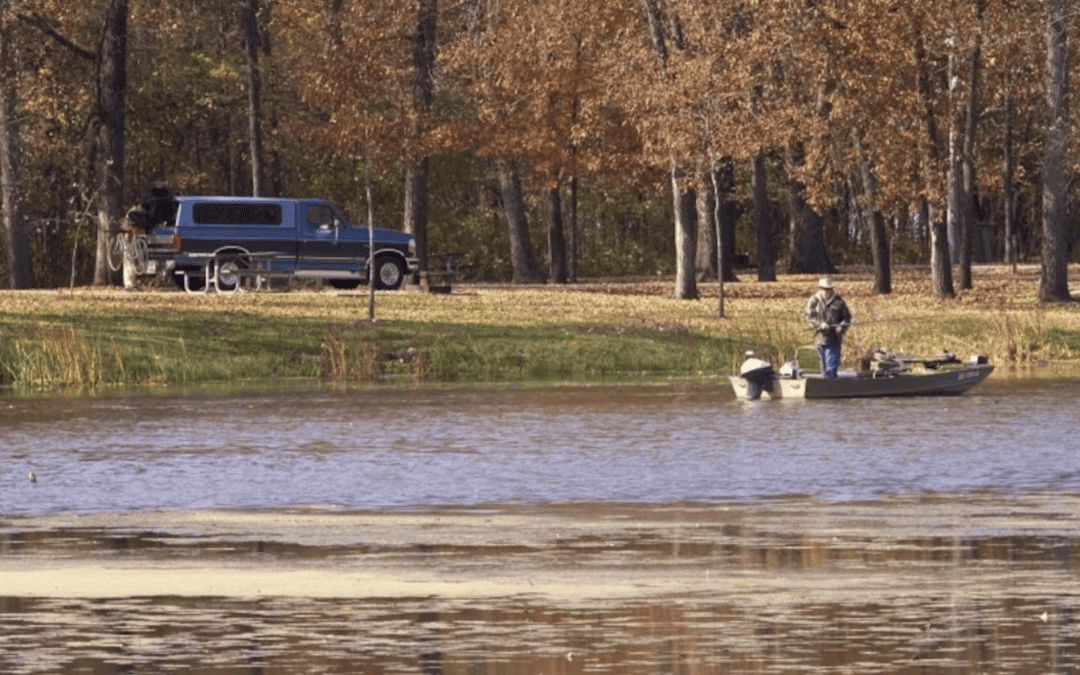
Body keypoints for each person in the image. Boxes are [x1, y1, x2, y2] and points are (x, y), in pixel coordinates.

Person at [803, 277, 852, 378]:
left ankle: (832, 388)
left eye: (829, 289)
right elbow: (808, 316)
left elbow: (847, 318)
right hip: (819, 338)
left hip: (834, 340)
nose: (827, 291)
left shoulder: (839, 301)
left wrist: (841, 327)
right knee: (820, 370)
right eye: (824, 289)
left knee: (831, 369)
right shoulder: (814, 300)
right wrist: (819, 324)